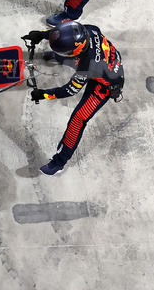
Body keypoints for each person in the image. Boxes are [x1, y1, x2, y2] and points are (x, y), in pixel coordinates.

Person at [23, 21, 124, 175]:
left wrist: (43, 94)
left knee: (78, 119)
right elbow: (66, 32)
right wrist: (42, 35)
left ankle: (59, 163)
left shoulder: (88, 67)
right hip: (106, 59)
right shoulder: (90, 29)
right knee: (76, 56)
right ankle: (60, 56)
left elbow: (69, 91)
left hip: (105, 86)